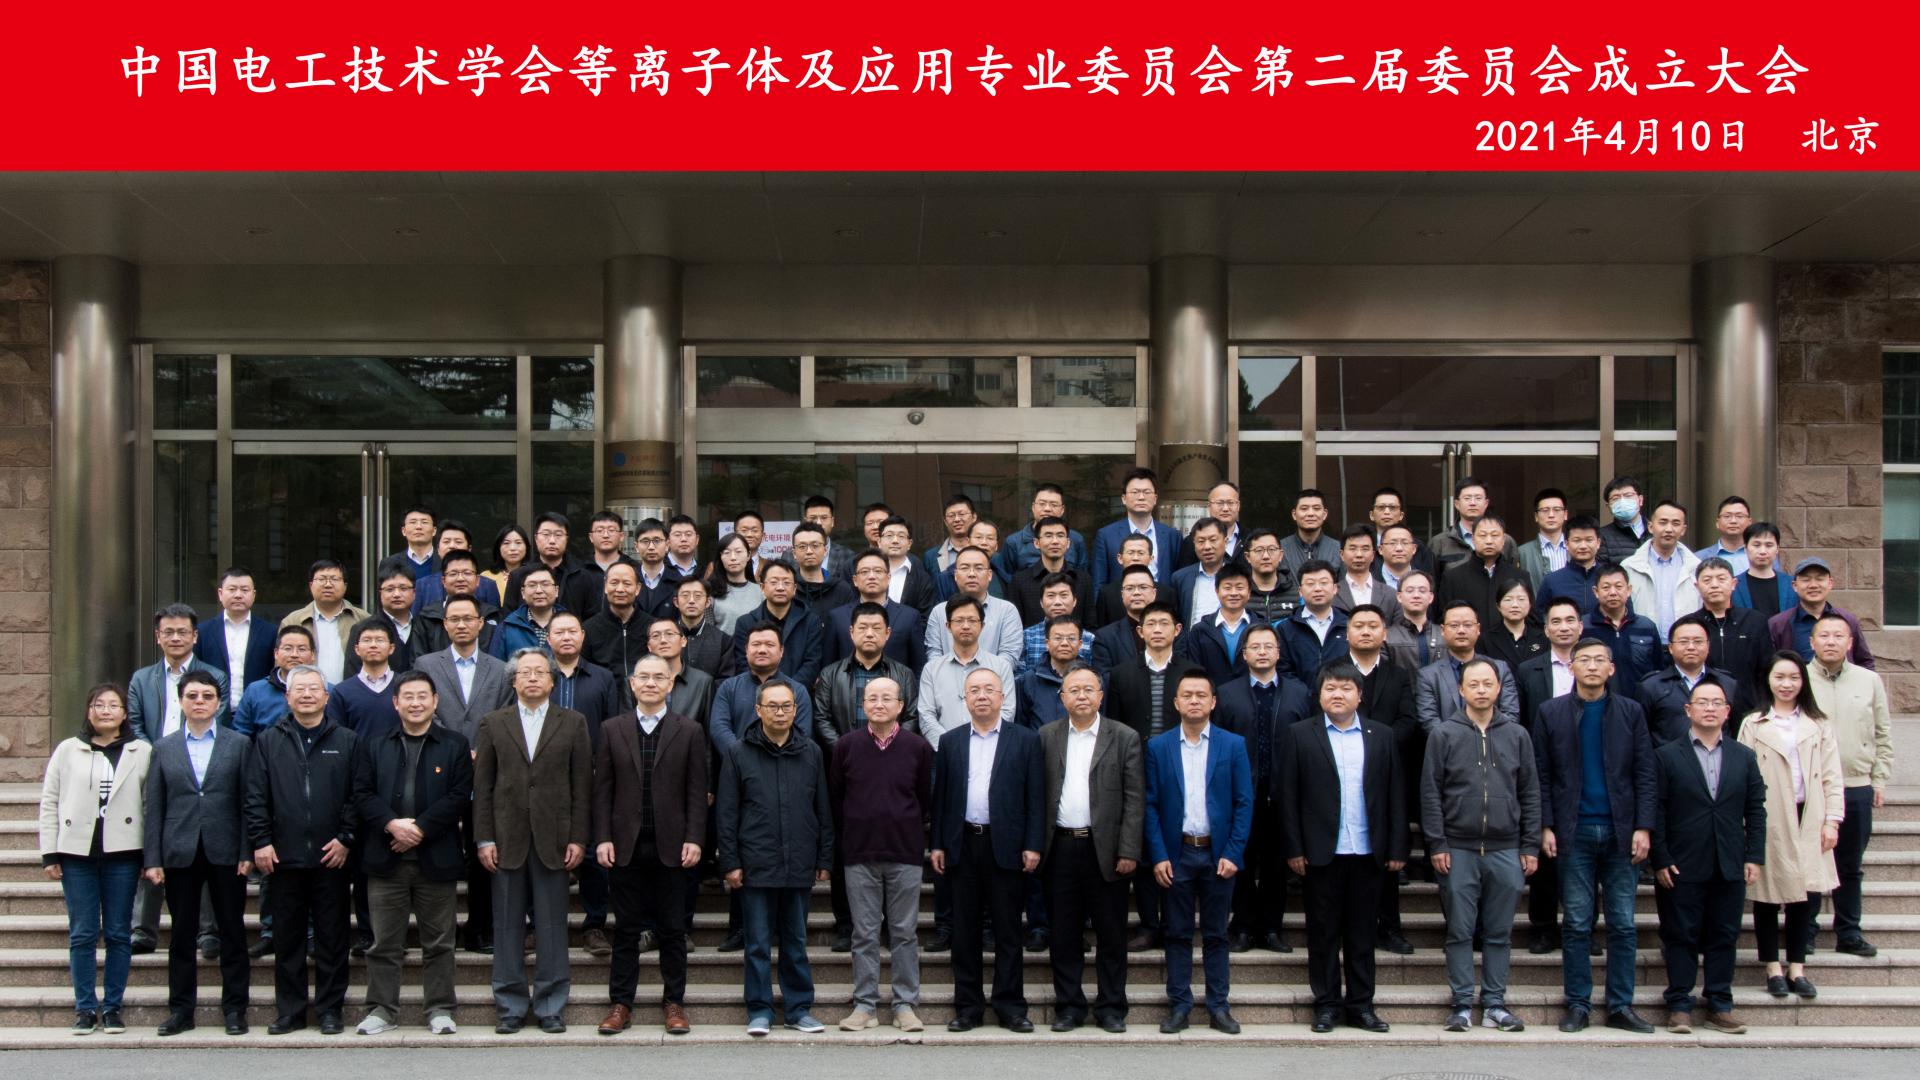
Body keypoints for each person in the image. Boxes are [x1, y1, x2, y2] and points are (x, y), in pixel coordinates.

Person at [1531, 639, 1657, 1034]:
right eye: (1583, 660)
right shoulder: (1551, 712)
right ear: (1571, 668)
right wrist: (1545, 825)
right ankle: (1578, 1004)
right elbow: (1541, 773)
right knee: (1576, 923)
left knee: (1622, 924)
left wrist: (1644, 826)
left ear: (1611, 668)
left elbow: (1645, 772)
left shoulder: (1631, 712)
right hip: (1573, 830)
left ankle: (1620, 1005)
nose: (1590, 666)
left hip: (1622, 831)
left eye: (1598, 660)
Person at [1277, 663, 1406, 1035]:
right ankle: (1327, 1005)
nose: (1338, 694)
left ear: (1359, 695)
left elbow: (1395, 794)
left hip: (1367, 851)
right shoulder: (1300, 735)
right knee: (1323, 934)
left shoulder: (1381, 736)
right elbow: (1288, 796)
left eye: (1346, 688)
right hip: (1321, 853)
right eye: (1330, 688)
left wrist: (1396, 847)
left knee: (1362, 935)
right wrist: (1294, 848)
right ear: (1319, 695)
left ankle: (1362, 1006)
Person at [473, 648, 592, 1034]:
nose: (533, 678)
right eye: (525, 673)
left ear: (553, 681)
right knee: (507, 926)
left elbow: (582, 786)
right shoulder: (493, 723)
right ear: (514, 682)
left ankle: (550, 1005)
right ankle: (509, 1005)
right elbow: (483, 787)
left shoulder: (573, 723)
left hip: (554, 839)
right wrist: (484, 838)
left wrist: (578, 837)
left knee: (552, 926)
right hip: (506, 838)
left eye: (540, 672)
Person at [1421, 658, 1541, 1034]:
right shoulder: (1444, 734)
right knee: (1459, 930)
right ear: (1461, 690)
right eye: (1473, 684)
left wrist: (1530, 845)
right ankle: (1461, 1004)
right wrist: (1437, 842)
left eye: (1488, 683)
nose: (1481, 690)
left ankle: (1494, 1003)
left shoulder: (1517, 735)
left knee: (1499, 932)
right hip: (1458, 847)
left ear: (1499, 688)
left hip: (1506, 847)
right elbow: (1431, 792)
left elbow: (1530, 792)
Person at [351, 670, 473, 1037]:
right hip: (385, 859)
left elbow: (459, 796)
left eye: (423, 696)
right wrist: (392, 824)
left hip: (437, 859)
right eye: (408, 696)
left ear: (435, 701)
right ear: (395, 702)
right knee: (384, 943)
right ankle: (381, 1009)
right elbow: (362, 793)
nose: (416, 703)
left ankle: (440, 1008)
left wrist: (419, 829)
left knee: (439, 943)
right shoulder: (374, 743)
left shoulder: (454, 744)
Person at [593, 656, 709, 1038]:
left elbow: (696, 791)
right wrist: (602, 837)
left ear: (670, 684)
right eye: (643, 676)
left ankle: (673, 1003)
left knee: (673, 930)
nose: (650, 683)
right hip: (625, 845)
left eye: (659, 677)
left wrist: (695, 838)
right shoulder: (612, 729)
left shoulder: (689, 731)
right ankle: (621, 1004)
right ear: (631, 683)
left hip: (673, 846)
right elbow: (602, 790)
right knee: (626, 930)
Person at [244, 664, 357, 1035]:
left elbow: (358, 794)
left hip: (332, 857)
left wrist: (346, 838)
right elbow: (256, 796)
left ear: (326, 696)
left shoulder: (347, 740)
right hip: (283, 857)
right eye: (299, 689)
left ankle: (330, 1010)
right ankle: (290, 1012)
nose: (307, 695)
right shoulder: (268, 741)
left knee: (332, 938)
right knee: (288, 939)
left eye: (314, 689)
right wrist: (261, 841)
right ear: (288, 697)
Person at [931, 668, 1045, 1033]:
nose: (982, 696)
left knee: (1008, 931)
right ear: (964, 699)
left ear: (1002, 697)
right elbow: (941, 797)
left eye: (989, 690)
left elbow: (1036, 798)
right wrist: (938, 843)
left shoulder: (1026, 740)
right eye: (974, 690)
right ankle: (968, 1007)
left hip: (1007, 845)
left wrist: (1033, 844)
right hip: (963, 844)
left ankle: (1010, 1007)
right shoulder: (950, 741)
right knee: (964, 932)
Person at [716, 680, 833, 1037]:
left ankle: (798, 1009)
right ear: (758, 710)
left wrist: (825, 858)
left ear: (795, 710)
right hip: (756, 862)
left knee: (795, 942)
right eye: (772, 706)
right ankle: (759, 1010)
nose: (780, 712)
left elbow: (822, 809)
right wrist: (730, 862)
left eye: (786, 706)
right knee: (757, 943)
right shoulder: (738, 752)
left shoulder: (811, 752)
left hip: (798, 861)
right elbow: (727, 813)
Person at [143, 671, 253, 1037]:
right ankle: (181, 1011)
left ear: (219, 703)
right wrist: (153, 858)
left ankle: (235, 1010)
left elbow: (248, 801)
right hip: (180, 850)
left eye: (207, 696)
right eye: (192, 696)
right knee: (181, 935)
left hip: (227, 849)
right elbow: (155, 806)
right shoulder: (164, 747)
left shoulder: (239, 744)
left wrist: (247, 849)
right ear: (181, 701)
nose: (200, 701)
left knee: (233, 932)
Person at [1037, 664, 1146, 1033]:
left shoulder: (1124, 737)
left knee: (1111, 934)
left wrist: (1128, 850)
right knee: (1063, 934)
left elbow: (1135, 799)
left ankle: (1111, 1007)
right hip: (1060, 849)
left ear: (1101, 696)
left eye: (1088, 689)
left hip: (1108, 851)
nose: (1081, 696)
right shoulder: (1047, 736)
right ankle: (1069, 1007)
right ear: (1062, 698)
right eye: (1074, 690)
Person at [1653, 679, 1765, 1035]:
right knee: (1680, 934)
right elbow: (1656, 810)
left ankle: (1719, 1004)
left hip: (1728, 860)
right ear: (1688, 710)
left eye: (1717, 702)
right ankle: (1679, 1005)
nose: (1710, 708)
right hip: (1681, 862)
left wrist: (1754, 855)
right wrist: (1660, 857)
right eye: (1702, 702)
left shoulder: (1744, 756)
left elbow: (1756, 809)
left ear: (1728, 711)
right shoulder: (1667, 756)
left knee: (1724, 934)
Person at [1144, 671, 1253, 1035]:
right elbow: (1150, 805)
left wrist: (1233, 852)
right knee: (1176, 934)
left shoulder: (1232, 745)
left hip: (1217, 855)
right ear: (1176, 703)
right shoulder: (1159, 747)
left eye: (1201, 695)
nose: (1194, 700)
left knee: (1216, 935)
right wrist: (1159, 855)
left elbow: (1243, 802)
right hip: (1177, 855)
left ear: (1213, 702)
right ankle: (1179, 1005)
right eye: (1187, 695)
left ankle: (1219, 1007)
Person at [39, 683, 150, 1036]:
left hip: (124, 854)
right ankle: (85, 1008)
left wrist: (150, 856)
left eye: (113, 705)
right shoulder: (67, 750)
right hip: (77, 854)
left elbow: (150, 806)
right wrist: (49, 851)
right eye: (99, 704)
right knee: (83, 933)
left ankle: (113, 1007)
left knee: (118, 933)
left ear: (124, 713)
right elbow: (50, 801)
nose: (105, 710)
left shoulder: (141, 751)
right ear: (88, 711)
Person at [828, 677, 934, 1034]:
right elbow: (837, 799)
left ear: (900, 706)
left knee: (904, 933)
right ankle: (865, 1005)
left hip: (904, 852)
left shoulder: (918, 747)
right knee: (864, 934)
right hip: (859, 852)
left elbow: (923, 797)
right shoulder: (846, 746)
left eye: (887, 698)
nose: (879, 704)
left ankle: (905, 1005)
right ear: (863, 705)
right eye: (872, 698)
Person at [814, 602, 920, 951]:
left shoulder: (903, 674)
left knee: (890, 850)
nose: (869, 633)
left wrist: (885, 753)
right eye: (863, 627)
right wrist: (852, 751)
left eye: (877, 628)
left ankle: (889, 924)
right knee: (846, 847)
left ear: (888, 633)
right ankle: (846, 924)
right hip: (844, 770)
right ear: (851, 633)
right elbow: (821, 718)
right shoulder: (831, 674)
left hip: (893, 771)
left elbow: (911, 716)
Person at [1739, 653, 1845, 1000]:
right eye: (1780, 677)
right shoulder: (1754, 724)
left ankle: (1797, 968)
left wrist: (1832, 820)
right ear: (1768, 680)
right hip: (1768, 816)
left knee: (1805, 893)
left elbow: (1832, 776)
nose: (1786, 684)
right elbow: (1741, 776)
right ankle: (1772, 967)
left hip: (1808, 815)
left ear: (1803, 681)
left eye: (1794, 678)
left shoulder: (1819, 724)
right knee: (1767, 895)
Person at [412, 593, 512, 954]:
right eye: (454, 619)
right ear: (444, 624)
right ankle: (439, 930)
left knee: (482, 849)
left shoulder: (500, 669)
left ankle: (479, 929)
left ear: (481, 624)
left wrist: (480, 750)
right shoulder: (426, 664)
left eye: (468, 618)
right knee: (438, 850)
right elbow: (424, 709)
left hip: (487, 771)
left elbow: (504, 712)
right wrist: (456, 749)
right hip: (438, 767)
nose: (461, 625)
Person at [1211, 623, 1313, 955]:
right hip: (1240, 793)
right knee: (1240, 861)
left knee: (1275, 865)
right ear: (1244, 654)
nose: (1262, 652)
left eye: (1268, 646)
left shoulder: (1299, 692)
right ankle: (1241, 926)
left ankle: (1271, 928)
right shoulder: (1226, 693)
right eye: (1255, 647)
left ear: (1279, 652)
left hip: (1284, 793)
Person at [1331, 605, 1422, 956]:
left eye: (1373, 626)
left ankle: (1389, 928)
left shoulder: (1398, 675)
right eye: (1359, 626)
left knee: (1382, 855)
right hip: (1340, 769)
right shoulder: (1332, 672)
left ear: (1384, 633)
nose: (1366, 631)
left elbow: (1408, 720)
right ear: (1348, 633)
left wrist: (1375, 744)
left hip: (1385, 771)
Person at [1805, 616, 1893, 956]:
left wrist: (1879, 778)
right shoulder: (1800, 679)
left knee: (1850, 864)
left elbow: (1882, 732)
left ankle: (1849, 932)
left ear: (1850, 642)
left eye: (1838, 635)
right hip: (1812, 786)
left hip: (1856, 784)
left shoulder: (1868, 680)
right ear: (1812, 642)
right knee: (1811, 861)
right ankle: (1805, 931)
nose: (1831, 641)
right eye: (1824, 635)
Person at [1515, 597, 1583, 953]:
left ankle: (1582, 924)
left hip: (1586, 768)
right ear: (1546, 629)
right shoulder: (1529, 670)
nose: (1563, 627)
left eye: (1570, 620)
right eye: (1556, 621)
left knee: (1584, 853)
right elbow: (1521, 718)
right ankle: (1542, 927)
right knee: (1544, 851)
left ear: (1580, 626)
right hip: (1542, 764)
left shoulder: (1595, 665)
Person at [1637, 614, 1752, 746]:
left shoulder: (1727, 684)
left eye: (1698, 641)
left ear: (1708, 646)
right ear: (1670, 648)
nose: (1691, 647)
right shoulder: (1650, 687)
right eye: (1683, 642)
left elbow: (1737, 731)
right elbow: (1642, 736)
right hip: (1667, 758)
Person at [710, 623, 817, 761]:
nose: (762, 650)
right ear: (746, 650)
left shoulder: (797, 691)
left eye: (769, 645)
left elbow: (802, 733)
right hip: (738, 765)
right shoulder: (729, 688)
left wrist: (773, 762)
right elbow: (719, 729)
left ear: (781, 651)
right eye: (756, 644)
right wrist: (742, 758)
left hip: (785, 766)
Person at [129, 604, 231, 743]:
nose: (175, 638)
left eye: (182, 632)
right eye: (168, 632)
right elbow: (134, 726)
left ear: (195, 636)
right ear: (158, 636)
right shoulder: (141, 679)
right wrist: (154, 752)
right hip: (150, 753)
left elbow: (218, 723)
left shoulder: (216, 678)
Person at [1414, 601, 1521, 732]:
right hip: (1449, 743)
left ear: (1478, 629)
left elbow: (1510, 715)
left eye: (1468, 625)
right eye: (1454, 625)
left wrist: (1484, 741)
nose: (1461, 630)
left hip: (1495, 742)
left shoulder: (1500, 669)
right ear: (1442, 630)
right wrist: (1461, 741)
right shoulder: (1428, 676)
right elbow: (1429, 721)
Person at [730, 560, 827, 687]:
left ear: (794, 589)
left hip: (797, 694)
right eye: (774, 582)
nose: (780, 587)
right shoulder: (745, 623)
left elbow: (812, 664)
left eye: (786, 582)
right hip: (756, 694)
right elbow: (743, 664)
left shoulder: (811, 621)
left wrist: (788, 691)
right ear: (762, 587)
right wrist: (765, 692)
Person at [1769, 557, 1876, 670]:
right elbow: (1769, 666)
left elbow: (1865, 662)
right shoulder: (1778, 624)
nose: (1813, 585)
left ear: (1830, 583)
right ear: (1795, 586)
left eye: (1819, 579)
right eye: (1806, 580)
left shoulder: (1847, 620)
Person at [1695, 556, 1773, 710]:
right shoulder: (1690, 625)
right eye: (1707, 580)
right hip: (1706, 708)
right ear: (1697, 586)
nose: (1714, 585)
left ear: (1733, 584)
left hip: (1750, 708)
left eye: (1721, 579)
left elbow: (1767, 669)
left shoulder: (1755, 621)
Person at [195, 567, 276, 711]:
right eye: (232, 589)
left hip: (257, 712)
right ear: (220, 594)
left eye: (244, 590)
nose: (238, 595)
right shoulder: (203, 631)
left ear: (254, 595)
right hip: (213, 712)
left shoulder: (270, 632)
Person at [926, 547, 1024, 664]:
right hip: (946, 676)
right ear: (955, 575)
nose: (971, 574)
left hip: (994, 676)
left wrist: (978, 675)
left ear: (989, 575)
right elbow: (934, 657)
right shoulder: (939, 612)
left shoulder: (1007, 611)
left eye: (978, 568)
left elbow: (1008, 658)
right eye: (964, 568)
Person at [1621, 499, 1701, 639]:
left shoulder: (1696, 567)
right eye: (1663, 522)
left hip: (1686, 643)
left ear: (1683, 530)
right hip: (1642, 642)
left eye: (1675, 523)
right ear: (1651, 527)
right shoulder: (1629, 567)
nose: (1669, 529)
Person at [282, 560, 372, 685]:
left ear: (345, 586)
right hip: (306, 693)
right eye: (322, 579)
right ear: (311, 585)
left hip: (351, 692)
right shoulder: (293, 621)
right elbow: (281, 664)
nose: (328, 584)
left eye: (334, 579)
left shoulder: (363, 619)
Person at [1437, 516, 1531, 634]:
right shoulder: (1453, 577)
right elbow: (1443, 617)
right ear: (1473, 539)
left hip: (1509, 642)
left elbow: (1530, 618)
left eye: (1494, 535)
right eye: (1482, 535)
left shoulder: (1520, 576)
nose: (1489, 541)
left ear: (1503, 540)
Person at [1093, 467, 1180, 591]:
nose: (1141, 497)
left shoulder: (1172, 536)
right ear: (1124, 498)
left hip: (1161, 602)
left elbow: (1177, 580)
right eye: (1135, 492)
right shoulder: (1106, 535)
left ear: (1155, 498)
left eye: (1147, 492)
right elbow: (1099, 583)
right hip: (1120, 602)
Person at [503, 511, 599, 618]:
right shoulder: (518, 576)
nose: (552, 541)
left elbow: (592, 618)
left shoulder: (583, 576)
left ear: (567, 539)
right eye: (546, 534)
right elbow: (508, 617)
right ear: (536, 538)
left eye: (558, 535)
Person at [1585, 564, 1664, 687]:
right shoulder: (1584, 627)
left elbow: (1658, 669)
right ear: (1596, 592)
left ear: (1628, 590)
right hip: (1598, 695)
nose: (1613, 592)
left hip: (1641, 697)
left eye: (1618, 586)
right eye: (1606, 587)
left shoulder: (1646, 626)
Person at [1276, 560, 1350, 688]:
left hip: (1341, 695)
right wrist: (1303, 694)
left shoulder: (1348, 625)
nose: (1317, 589)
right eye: (1310, 584)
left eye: (1324, 583)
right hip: (1300, 697)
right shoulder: (1286, 629)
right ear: (1300, 591)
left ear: (1335, 588)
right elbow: (1283, 670)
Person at [327, 620, 401, 744]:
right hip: (355, 755)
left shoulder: (405, 686)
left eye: (380, 640)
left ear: (391, 648)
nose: (373, 645)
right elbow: (335, 737)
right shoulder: (342, 691)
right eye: (367, 640)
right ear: (357, 649)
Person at [1012, 516, 1093, 626]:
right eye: (1048, 536)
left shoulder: (1083, 580)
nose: (1055, 541)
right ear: (1036, 543)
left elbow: (1090, 624)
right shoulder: (1020, 581)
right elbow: (1016, 627)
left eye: (1060, 535)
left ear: (1068, 543)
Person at [1185, 563, 1257, 687]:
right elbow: (1195, 674)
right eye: (1227, 588)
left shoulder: (1261, 628)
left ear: (1249, 592)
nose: (1233, 593)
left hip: (1253, 696)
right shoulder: (1200, 631)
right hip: (1213, 696)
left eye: (1239, 587)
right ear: (1217, 591)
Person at [1091, 564, 1170, 676]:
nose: (1136, 592)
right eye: (1130, 588)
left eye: (1143, 587)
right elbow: (1103, 678)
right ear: (1122, 595)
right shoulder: (1105, 637)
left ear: (1154, 593)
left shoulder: (1173, 633)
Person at [996, 484, 1090, 577]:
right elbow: (1007, 580)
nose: (1047, 509)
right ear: (1033, 507)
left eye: (1054, 505)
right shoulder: (1013, 542)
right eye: (1042, 504)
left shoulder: (1076, 539)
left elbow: (1082, 577)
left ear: (1062, 510)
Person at [1016, 612, 1089, 731]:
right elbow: (1020, 726)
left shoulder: (1092, 680)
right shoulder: (1029, 680)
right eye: (1058, 638)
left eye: (1071, 638)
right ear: (1047, 643)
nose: (1064, 643)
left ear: (1080, 644)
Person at [584, 562, 650, 690]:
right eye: (614, 583)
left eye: (627, 583)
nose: (620, 589)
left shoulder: (652, 627)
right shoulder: (589, 628)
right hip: (603, 694)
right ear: (605, 587)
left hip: (644, 694)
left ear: (637, 589)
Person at [414, 549, 503, 645]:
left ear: (477, 580)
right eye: (453, 574)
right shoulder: (427, 618)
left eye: (467, 573)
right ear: (443, 581)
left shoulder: (492, 615)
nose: (460, 579)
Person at [1428, 476, 1517, 572]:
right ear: (1457, 504)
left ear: (1486, 503)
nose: (1473, 503)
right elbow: (1431, 578)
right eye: (1467, 498)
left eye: (1478, 498)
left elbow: (1514, 576)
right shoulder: (1439, 543)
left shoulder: (1505, 541)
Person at [1016, 574, 1094, 678]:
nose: (1057, 602)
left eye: (1064, 595)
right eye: (1051, 596)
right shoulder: (1026, 637)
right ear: (1041, 602)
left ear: (1074, 601)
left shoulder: (1089, 639)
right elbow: (1019, 678)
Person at [356, 565, 424, 674]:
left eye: (403, 588)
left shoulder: (424, 627)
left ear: (414, 593)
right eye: (390, 589)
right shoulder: (362, 628)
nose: (396, 594)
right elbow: (353, 674)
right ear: (380, 594)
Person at [1535, 516, 1605, 620]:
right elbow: (1540, 618)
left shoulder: (1609, 578)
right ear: (1567, 544)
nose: (1583, 546)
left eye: (1589, 540)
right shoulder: (1551, 581)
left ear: (1598, 543)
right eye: (1577, 540)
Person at [490, 564, 565, 659]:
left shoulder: (571, 625)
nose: (539, 591)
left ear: (556, 591)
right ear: (523, 592)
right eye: (532, 585)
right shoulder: (506, 627)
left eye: (545, 584)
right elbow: (494, 664)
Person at [1333, 525, 1400, 625]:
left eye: (1365, 549)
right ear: (1342, 554)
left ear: (1373, 555)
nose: (1359, 555)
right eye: (1353, 548)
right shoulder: (1331, 594)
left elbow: (1398, 629)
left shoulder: (1391, 594)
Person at [1479, 577, 1547, 674]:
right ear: (1498, 606)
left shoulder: (1543, 637)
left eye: (1521, 599)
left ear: (1530, 604)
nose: (1515, 605)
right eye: (1508, 599)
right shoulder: (1486, 640)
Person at [1171, 516, 1232, 625]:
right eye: (1201, 541)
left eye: (1213, 540)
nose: (1207, 547)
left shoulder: (1238, 575)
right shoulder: (1180, 578)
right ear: (1194, 545)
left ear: (1225, 542)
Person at [877, 515, 941, 616]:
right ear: (879, 542)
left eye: (901, 536)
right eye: (889, 535)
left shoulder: (922, 578)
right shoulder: (866, 572)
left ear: (909, 544)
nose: (895, 540)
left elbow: (925, 616)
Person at [1366, 487, 1438, 578]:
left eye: (1392, 507)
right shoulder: (1364, 547)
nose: (1387, 512)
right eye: (1381, 507)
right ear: (1372, 515)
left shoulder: (1419, 548)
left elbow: (1429, 581)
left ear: (1401, 515)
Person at [1175, 481, 1247, 570]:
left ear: (1238, 506)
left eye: (1230, 503)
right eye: (1220, 503)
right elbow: (1185, 575)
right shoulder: (1191, 542)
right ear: (1209, 506)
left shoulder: (1250, 539)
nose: (1225, 508)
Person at [789, 522, 858, 613]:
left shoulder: (842, 590)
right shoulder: (787, 588)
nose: (809, 551)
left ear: (825, 550)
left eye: (815, 546)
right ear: (794, 553)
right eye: (802, 546)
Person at [706, 532, 766, 636]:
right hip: (720, 646)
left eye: (738, 552)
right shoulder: (711, 592)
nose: (733, 557)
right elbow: (707, 631)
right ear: (720, 557)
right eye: (727, 552)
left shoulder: (761, 591)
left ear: (748, 555)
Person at [1385, 570, 1444, 674]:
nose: (1416, 595)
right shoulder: (1387, 637)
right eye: (1410, 590)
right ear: (1399, 597)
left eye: (1422, 590)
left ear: (1431, 597)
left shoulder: (1444, 635)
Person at [1279, 489, 1340, 588]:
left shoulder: (1338, 549)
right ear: (1294, 514)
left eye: (1316, 508)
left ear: (1324, 514)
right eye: (1304, 509)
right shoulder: (1280, 549)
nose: (1310, 513)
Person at [1732, 522, 1794, 619]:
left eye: (1769, 545)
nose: (1762, 551)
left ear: (1777, 549)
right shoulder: (1733, 585)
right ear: (1745, 548)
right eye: (1756, 545)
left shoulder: (1792, 584)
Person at [1515, 488, 1571, 590]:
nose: (1551, 515)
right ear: (1536, 516)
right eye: (1545, 510)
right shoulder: (1522, 553)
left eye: (1557, 510)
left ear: (1565, 514)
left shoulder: (1576, 549)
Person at [1242, 527, 1299, 624]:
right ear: (1247, 557)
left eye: (1272, 549)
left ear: (1280, 555)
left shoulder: (1296, 594)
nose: (1266, 556)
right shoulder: (1240, 594)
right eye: (1259, 550)